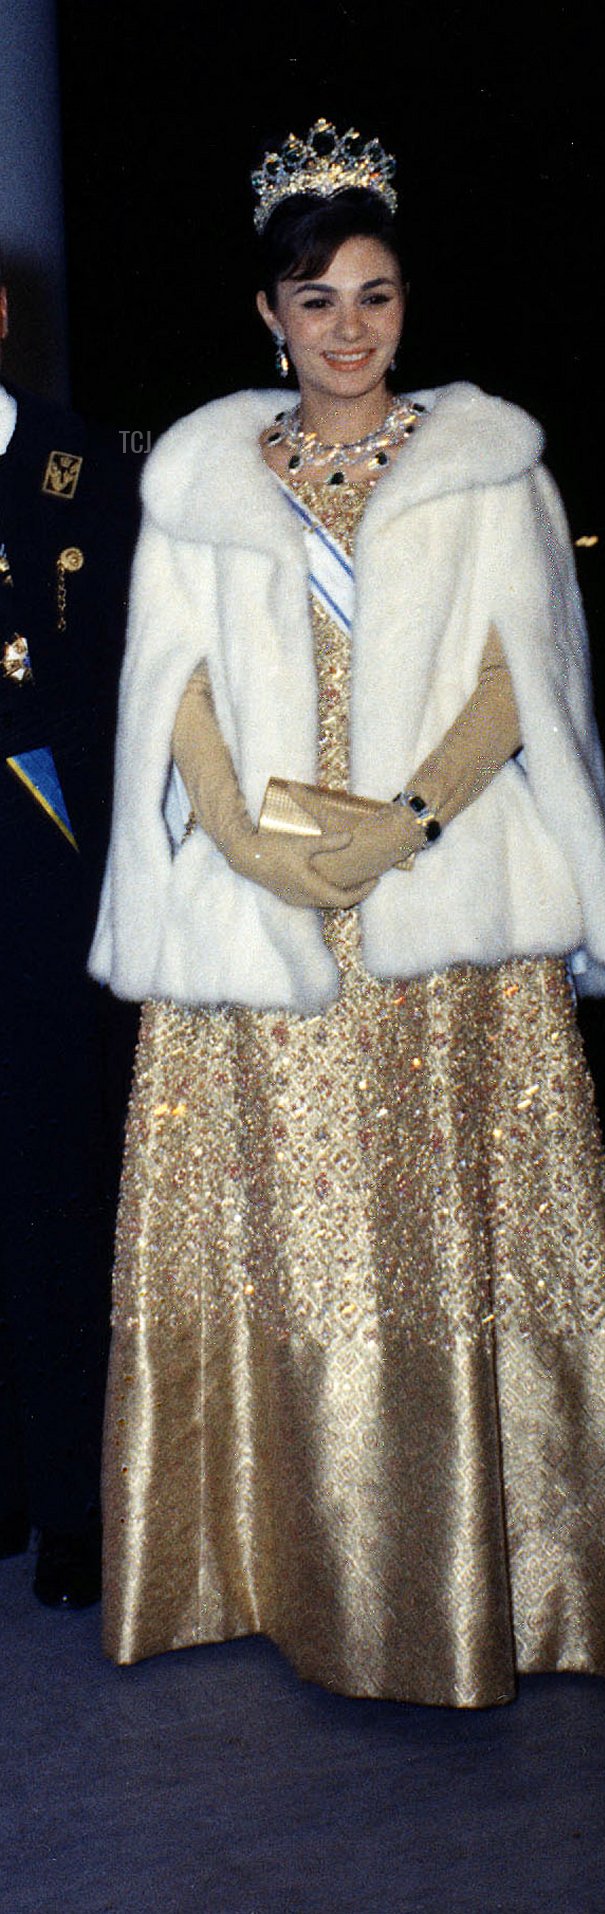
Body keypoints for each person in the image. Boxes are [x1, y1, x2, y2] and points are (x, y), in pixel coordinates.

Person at [88, 120, 605, 1706]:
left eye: (376, 295)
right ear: (267, 316)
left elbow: (525, 681)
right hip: (264, 909)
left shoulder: (487, 462)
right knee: (287, 1247)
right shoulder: (205, 478)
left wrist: (407, 822)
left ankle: (479, 1589)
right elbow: (174, 692)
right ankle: (258, 1565)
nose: (351, 328)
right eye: (318, 300)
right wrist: (254, 847)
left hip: (441, 903)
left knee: (438, 1248)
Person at [0, 258, 137, 1609]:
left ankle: (72, 1497)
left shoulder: (75, 468)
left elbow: (119, 696)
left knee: (51, 1189)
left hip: (37, 879)